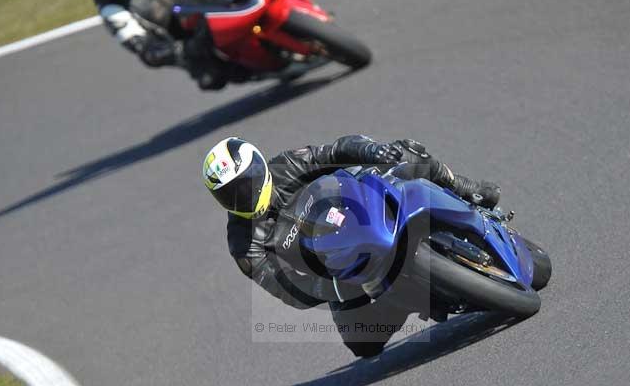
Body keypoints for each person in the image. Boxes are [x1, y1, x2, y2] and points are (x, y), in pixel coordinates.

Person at [203, 135, 501, 358]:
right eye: (229, 195)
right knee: (362, 344)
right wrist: (331, 287)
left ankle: (463, 188)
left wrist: (372, 151)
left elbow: (332, 152)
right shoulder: (244, 245)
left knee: (405, 153)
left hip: (361, 206)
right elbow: (284, 288)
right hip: (339, 270)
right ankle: (405, 300)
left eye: (245, 184)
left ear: (259, 166)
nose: (242, 196)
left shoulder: (287, 164)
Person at [92, 0, 244, 90]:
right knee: (211, 76)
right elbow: (145, 49)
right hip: (192, 35)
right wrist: (186, 49)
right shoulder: (110, 5)